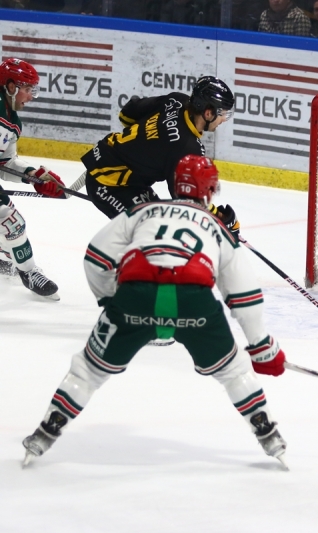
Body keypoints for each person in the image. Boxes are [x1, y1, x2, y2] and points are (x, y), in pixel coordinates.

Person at [21, 155, 288, 467]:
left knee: (88, 371)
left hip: (136, 295)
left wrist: (111, 302)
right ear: (210, 189)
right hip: (194, 302)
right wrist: (261, 345)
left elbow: (96, 257)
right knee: (233, 372)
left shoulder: (142, 211)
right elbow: (243, 295)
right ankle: (269, 435)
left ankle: (45, 433)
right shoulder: (220, 228)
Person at [81, 76, 234, 220]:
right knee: (152, 233)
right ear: (208, 113)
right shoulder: (187, 148)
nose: (223, 119)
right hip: (109, 183)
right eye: (223, 114)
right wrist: (219, 216)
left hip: (107, 159)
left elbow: (126, 115)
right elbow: (187, 200)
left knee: (160, 229)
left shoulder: (176, 100)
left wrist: (146, 140)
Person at [0, 58, 65, 300]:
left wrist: (34, 176)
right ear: (10, 87)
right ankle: (28, 272)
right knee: (11, 221)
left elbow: (4, 164)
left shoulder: (13, 123)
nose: (30, 96)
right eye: (27, 89)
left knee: (8, 224)